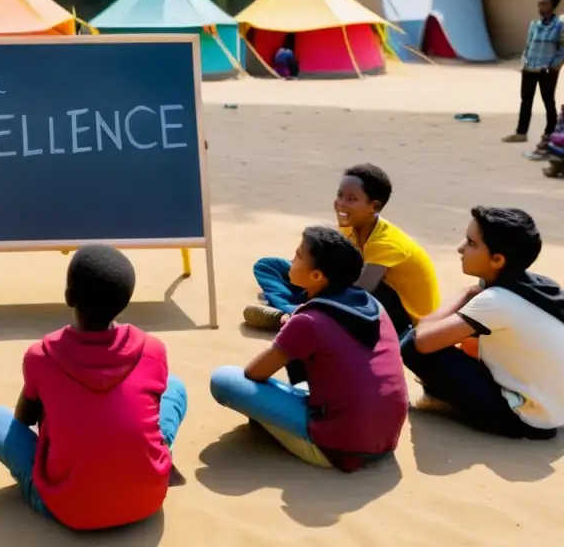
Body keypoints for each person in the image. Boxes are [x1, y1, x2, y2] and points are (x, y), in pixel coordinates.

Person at [0, 245, 187, 531]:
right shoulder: (153, 349)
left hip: (68, 511)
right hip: (148, 501)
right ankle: (146, 463)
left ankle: (53, 489)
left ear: (68, 296)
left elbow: (22, 420)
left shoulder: (41, 355)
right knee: (174, 387)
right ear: (124, 302)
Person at [211, 227, 408, 471]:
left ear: (316, 276)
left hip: (339, 449)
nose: (292, 261)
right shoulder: (373, 304)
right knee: (307, 360)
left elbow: (254, 373)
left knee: (224, 380)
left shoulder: (309, 322)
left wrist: (289, 331)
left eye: (298, 256)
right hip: (385, 439)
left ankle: (288, 428)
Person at [401, 207, 564, 439]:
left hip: (526, 420)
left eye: (471, 243)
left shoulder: (496, 301)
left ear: (498, 259)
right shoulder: (540, 285)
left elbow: (422, 342)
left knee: (410, 343)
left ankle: (446, 400)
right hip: (554, 411)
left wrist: (468, 292)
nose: (460, 248)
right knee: (463, 336)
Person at [244, 163, 439, 335]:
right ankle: (296, 309)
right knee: (268, 266)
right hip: (355, 289)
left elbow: (360, 292)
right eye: (340, 195)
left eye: (351, 199)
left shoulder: (386, 243)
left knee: (341, 289)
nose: (340, 204)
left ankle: (298, 314)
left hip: (402, 320)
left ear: (374, 206)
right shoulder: (351, 226)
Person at [503, 0, 564, 155]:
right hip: (530, 68)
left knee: (548, 100)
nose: (540, 6)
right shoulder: (534, 25)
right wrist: (525, 61)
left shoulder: (560, 25)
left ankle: (550, 133)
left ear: (553, 5)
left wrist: (554, 66)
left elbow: (562, 48)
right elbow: (528, 45)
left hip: (547, 70)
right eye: (539, 3)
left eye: (544, 3)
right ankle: (521, 133)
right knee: (526, 99)